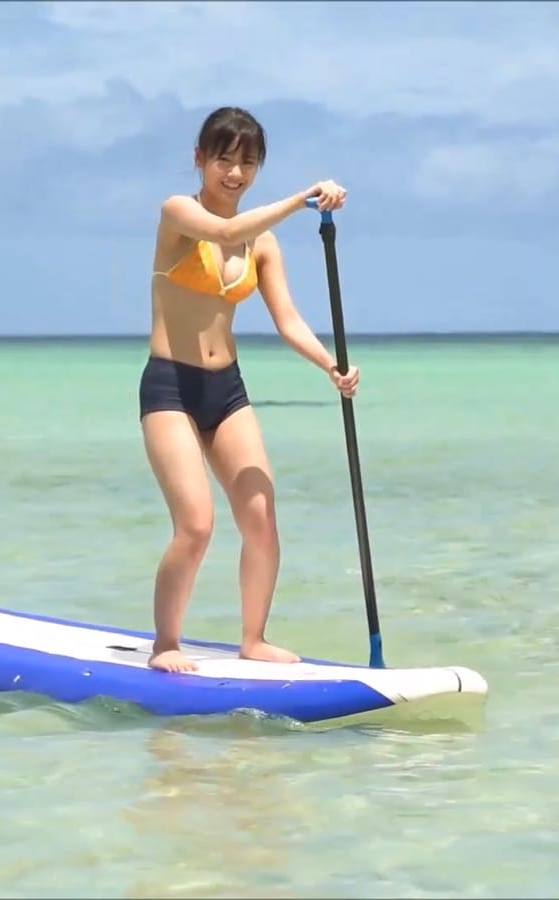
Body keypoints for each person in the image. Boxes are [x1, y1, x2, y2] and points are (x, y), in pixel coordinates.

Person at [138, 106, 356, 673]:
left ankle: (253, 639)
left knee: (260, 517)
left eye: (248, 163)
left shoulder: (263, 246)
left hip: (226, 389)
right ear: (200, 158)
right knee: (196, 525)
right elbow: (226, 230)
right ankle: (166, 643)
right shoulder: (179, 212)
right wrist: (303, 199)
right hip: (170, 387)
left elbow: (288, 321)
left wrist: (331, 366)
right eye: (224, 160)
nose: (235, 173)